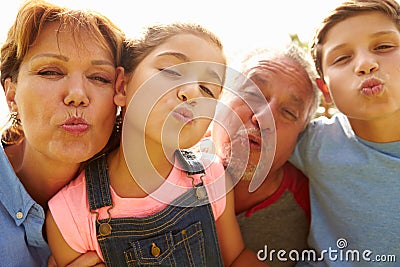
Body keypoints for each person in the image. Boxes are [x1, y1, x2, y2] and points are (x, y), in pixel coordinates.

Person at [46, 22, 269, 266]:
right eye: (171, 71)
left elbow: (235, 258)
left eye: (207, 89)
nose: (192, 92)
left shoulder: (211, 177)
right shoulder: (70, 216)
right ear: (122, 86)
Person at [0, 0, 125, 266]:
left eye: (100, 78)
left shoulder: (139, 194)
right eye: (50, 72)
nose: (78, 96)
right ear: (11, 94)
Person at [289, 0, 400, 266]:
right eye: (342, 58)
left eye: (384, 46)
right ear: (325, 90)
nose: (365, 64)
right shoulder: (312, 143)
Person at [205, 44, 320, 267]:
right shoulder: (165, 161)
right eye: (251, 94)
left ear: (300, 136)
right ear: (220, 99)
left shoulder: (316, 207)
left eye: (288, 112)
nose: (264, 118)